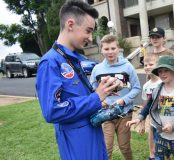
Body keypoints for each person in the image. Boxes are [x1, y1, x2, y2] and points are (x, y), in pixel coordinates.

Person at [35, 1, 121, 159]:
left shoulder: (76, 59)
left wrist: (101, 99)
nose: (90, 38)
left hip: (93, 135)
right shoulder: (50, 63)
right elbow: (52, 111)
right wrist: (95, 97)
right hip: (77, 145)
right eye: (88, 31)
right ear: (70, 24)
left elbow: (77, 96)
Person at [127, 55, 174, 159]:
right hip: (160, 136)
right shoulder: (157, 90)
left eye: (166, 70)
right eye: (160, 71)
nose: (162, 74)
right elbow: (149, 106)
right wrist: (140, 118)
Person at [90, 35, 141, 160]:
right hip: (106, 114)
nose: (110, 52)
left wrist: (124, 100)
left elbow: (136, 88)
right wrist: (100, 101)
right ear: (101, 50)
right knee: (106, 147)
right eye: (106, 49)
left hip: (124, 114)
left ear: (118, 49)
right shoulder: (97, 69)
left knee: (124, 146)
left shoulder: (128, 66)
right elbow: (92, 89)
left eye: (113, 48)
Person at [138, 53, 162, 160]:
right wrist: (142, 123)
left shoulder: (162, 83)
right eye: (145, 65)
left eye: (151, 64)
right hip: (153, 121)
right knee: (153, 147)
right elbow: (145, 104)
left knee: (163, 148)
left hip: (164, 121)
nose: (147, 67)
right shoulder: (146, 86)